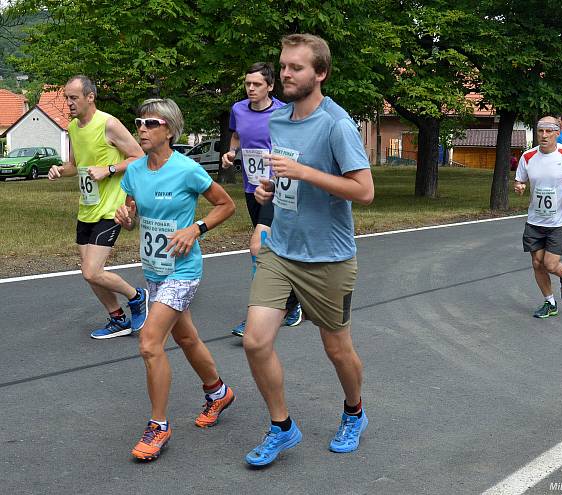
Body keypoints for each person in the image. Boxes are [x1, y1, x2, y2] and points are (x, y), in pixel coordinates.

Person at [243, 34, 374, 467]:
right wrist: (269, 192)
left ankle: (354, 411)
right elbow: (285, 183)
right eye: (283, 66)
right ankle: (282, 427)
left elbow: (364, 191)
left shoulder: (337, 124)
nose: (285, 74)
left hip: (328, 257)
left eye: (296, 68)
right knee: (255, 342)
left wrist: (304, 171)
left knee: (337, 349)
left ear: (320, 73)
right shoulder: (278, 122)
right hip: (281, 251)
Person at [115, 98, 237, 461]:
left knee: (150, 342)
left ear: (168, 128)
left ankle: (158, 426)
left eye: (150, 123)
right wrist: (127, 219)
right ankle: (218, 392)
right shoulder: (134, 172)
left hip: (183, 271)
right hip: (154, 270)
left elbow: (226, 205)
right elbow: (133, 215)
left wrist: (195, 229)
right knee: (185, 336)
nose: (142, 129)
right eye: (139, 122)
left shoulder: (187, 169)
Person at [47, 75, 149, 339]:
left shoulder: (109, 124)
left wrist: (109, 169)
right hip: (87, 208)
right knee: (89, 273)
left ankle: (136, 296)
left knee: (92, 270)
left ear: (90, 97)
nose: (68, 103)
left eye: (73, 98)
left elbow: (139, 156)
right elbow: (75, 165)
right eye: (66, 98)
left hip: (111, 209)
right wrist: (60, 170)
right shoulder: (72, 127)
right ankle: (117, 318)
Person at [220, 62, 302, 338]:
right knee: (271, 246)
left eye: (257, 84)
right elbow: (236, 136)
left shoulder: (283, 111)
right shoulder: (238, 109)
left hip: (275, 187)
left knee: (259, 246)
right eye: (247, 84)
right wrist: (231, 153)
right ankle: (292, 300)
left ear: (270, 86)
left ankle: (261, 313)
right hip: (250, 186)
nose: (251, 89)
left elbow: (294, 144)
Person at [514, 116, 562, 318]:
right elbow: (520, 180)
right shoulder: (528, 157)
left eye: (549, 131)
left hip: (560, 220)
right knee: (537, 263)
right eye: (540, 131)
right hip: (535, 219)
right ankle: (550, 302)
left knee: (549, 264)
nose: (544, 135)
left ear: (557, 133)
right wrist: (519, 186)